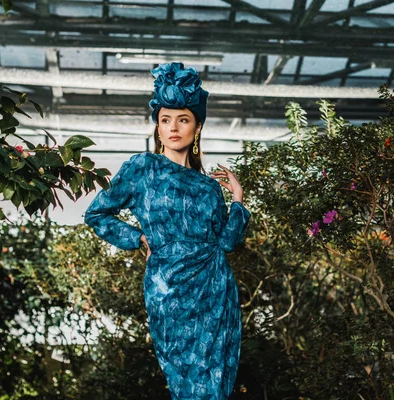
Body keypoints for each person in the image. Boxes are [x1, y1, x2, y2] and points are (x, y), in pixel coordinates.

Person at [83, 62, 251, 399]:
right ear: (158, 127)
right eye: (165, 119)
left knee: (215, 384)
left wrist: (238, 199)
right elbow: (97, 214)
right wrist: (137, 237)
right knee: (184, 382)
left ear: (197, 127)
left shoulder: (208, 188)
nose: (173, 127)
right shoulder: (141, 168)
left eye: (183, 119)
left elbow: (228, 243)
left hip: (215, 289)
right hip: (168, 288)